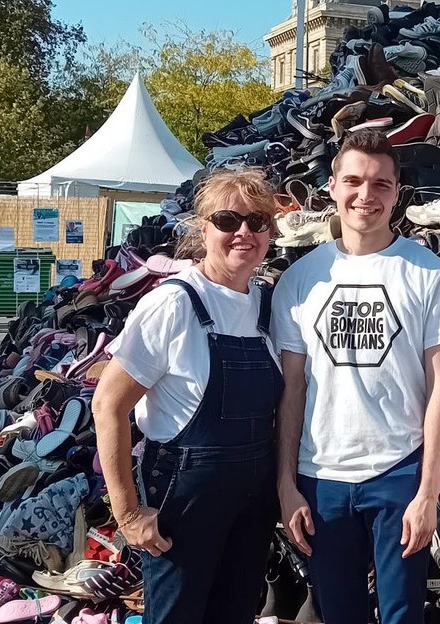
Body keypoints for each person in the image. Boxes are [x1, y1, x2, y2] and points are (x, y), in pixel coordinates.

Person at [272, 130, 440, 624]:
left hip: (399, 472)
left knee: (403, 614)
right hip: (321, 480)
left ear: (397, 192)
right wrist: (286, 484)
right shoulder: (300, 280)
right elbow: (291, 391)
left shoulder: (432, 275)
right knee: (338, 613)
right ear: (333, 188)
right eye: (354, 181)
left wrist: (427, 492)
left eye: (381, 184)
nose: (367, 196)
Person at [93, 169, 283, 624]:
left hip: (251, 504)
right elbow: (107, 405)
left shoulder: (269, 305)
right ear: (203, 228)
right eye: (227, 220)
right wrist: (128, 513)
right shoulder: (173, 303)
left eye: (258, 222)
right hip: (184, 502)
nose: (244, 233)